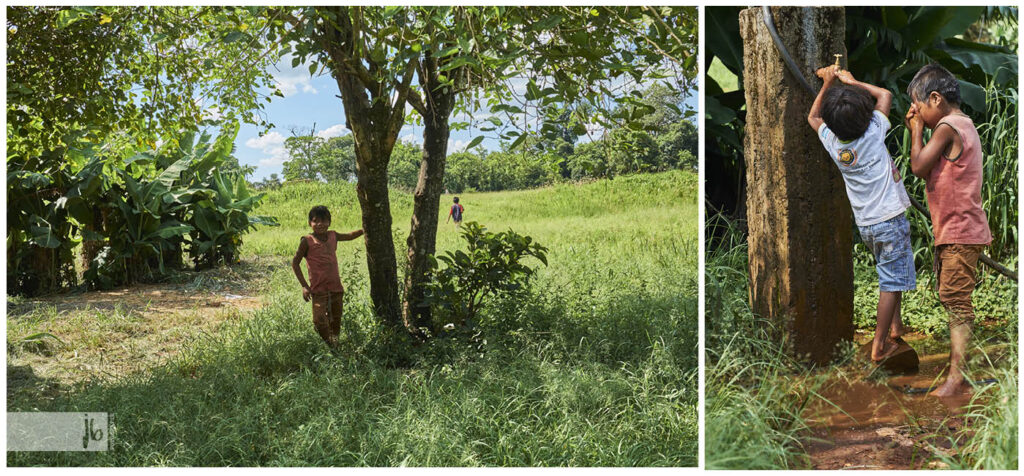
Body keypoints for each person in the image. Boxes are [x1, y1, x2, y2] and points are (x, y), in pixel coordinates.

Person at [807, 64, 914, 363]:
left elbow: (813, 117)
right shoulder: (874, 132)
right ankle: (879, 347)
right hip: (890, 221)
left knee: (891, 276)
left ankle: (896, 328)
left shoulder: (832, 142)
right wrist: (851, 81)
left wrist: (827, 83)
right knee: (891, 284)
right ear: (866, 117)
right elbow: (885, 94)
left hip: (867, 225)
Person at [905, 64, 992, 397]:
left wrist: (915, 131)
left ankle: (957, 378)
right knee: (954, 298)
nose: (916, 113)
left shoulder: (945, 126)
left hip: (960, 231)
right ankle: (960, 374)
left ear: (936, 99)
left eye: (919, 106)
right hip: (958, 230)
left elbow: (917, 166)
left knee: (956, 301)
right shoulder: (962, 123)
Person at [291, 205, 364, 348]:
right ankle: (329, 343)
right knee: (318, 321)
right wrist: (304, 286)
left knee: (335, 319)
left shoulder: (333, 236)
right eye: (315, 221)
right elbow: (295, 263)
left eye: (324, 221)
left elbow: (349, 236)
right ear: (309, 223)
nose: (320, 224)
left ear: (329, 222)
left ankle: (335, 346)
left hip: (336, 288)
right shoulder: (307, 241)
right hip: (318, 290)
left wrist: (364, 230)